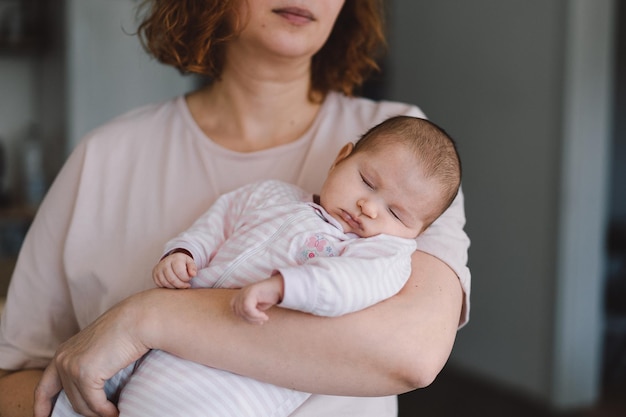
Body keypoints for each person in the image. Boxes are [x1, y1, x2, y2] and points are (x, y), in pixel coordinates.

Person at [0, 1, 471, 417]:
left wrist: (144, 318)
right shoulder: (104, 156)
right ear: (343, 157)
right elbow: (13, 377)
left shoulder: (408, 152)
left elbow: (411, 353)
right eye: (366, 183)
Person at [49, 115, 462, 417]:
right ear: (342, 158)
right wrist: (186, 253)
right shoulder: (273, 195)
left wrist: (287, 287)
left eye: (396, 213)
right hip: (156, 353)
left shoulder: (382, 254)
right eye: (367, 182)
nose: (368, 208)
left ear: (418, 232)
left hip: (235, 385)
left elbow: (350, 284)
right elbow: (221, 219)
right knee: (77, 393)